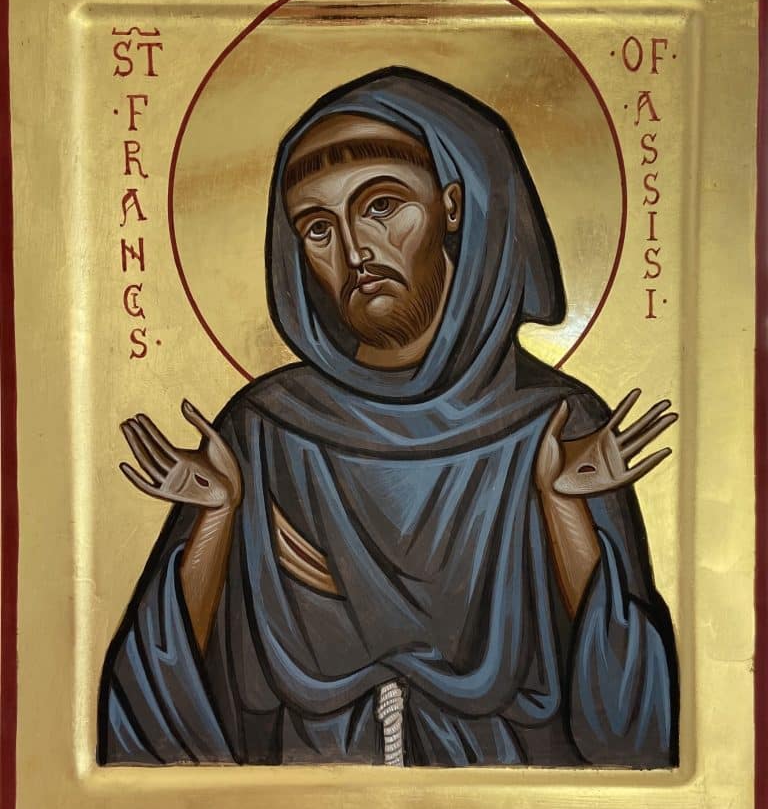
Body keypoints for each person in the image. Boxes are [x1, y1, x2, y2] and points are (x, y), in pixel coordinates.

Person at [98, 67, 679, 768]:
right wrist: (219, 521)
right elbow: (151, 717)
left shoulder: (552, 425)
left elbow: (633, 728)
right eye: (318, 227)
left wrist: (562, 513)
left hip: (505, 803)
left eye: (381, 206)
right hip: (308, 800)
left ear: (453, 205)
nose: (353, 251)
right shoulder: (267, 431)